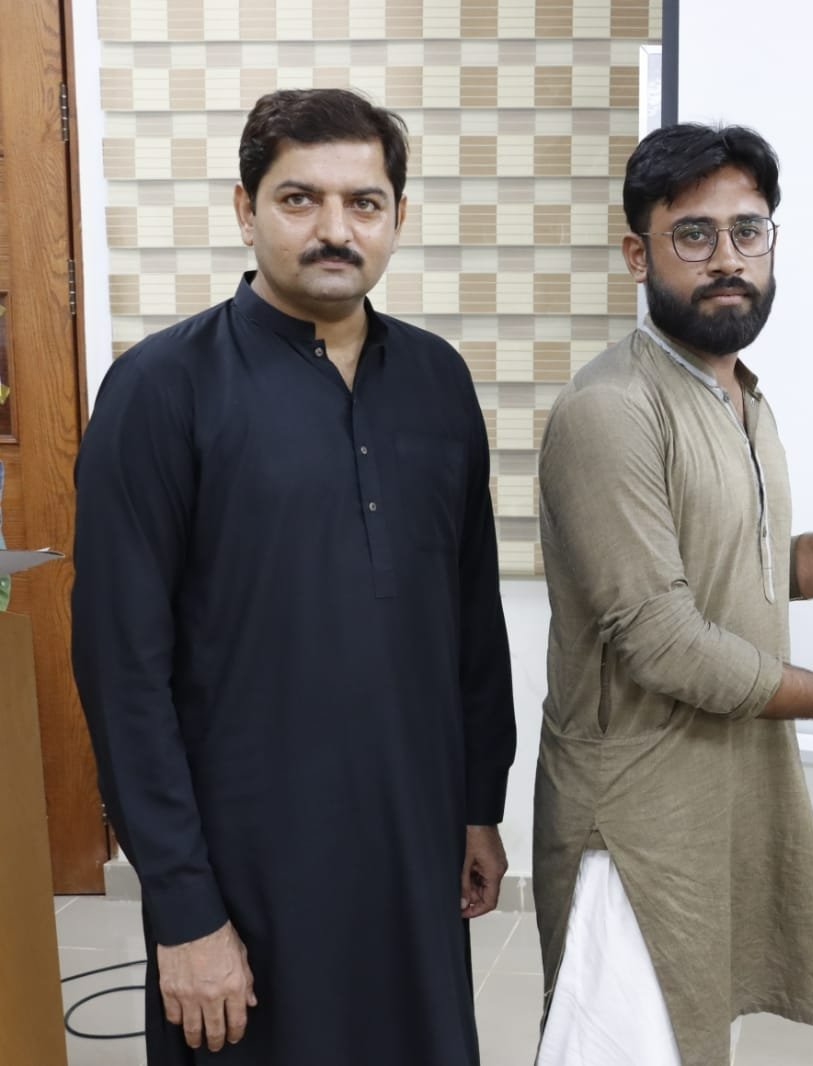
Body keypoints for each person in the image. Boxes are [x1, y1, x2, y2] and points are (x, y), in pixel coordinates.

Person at [71, 88, 516, 1066]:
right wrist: (184, 909)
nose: (334, 230)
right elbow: (121, 673)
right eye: (299, 198)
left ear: (399, 217)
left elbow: (469, 617)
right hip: (246, 867)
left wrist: (476, 802)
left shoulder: (438, 382)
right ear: (246, 209)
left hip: (411, 843)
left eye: (364, 203)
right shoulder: (160, 391)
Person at [533, 122, 813, 1066]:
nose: (727, 258)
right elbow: (665, 639)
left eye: (748, 230)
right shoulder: (612, 410)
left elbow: (759, 570)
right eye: (694, 234)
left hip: (727, 786)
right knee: (626, 1042)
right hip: (636, 812)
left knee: (695, 1037)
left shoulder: (742, 397)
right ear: (638, 254)